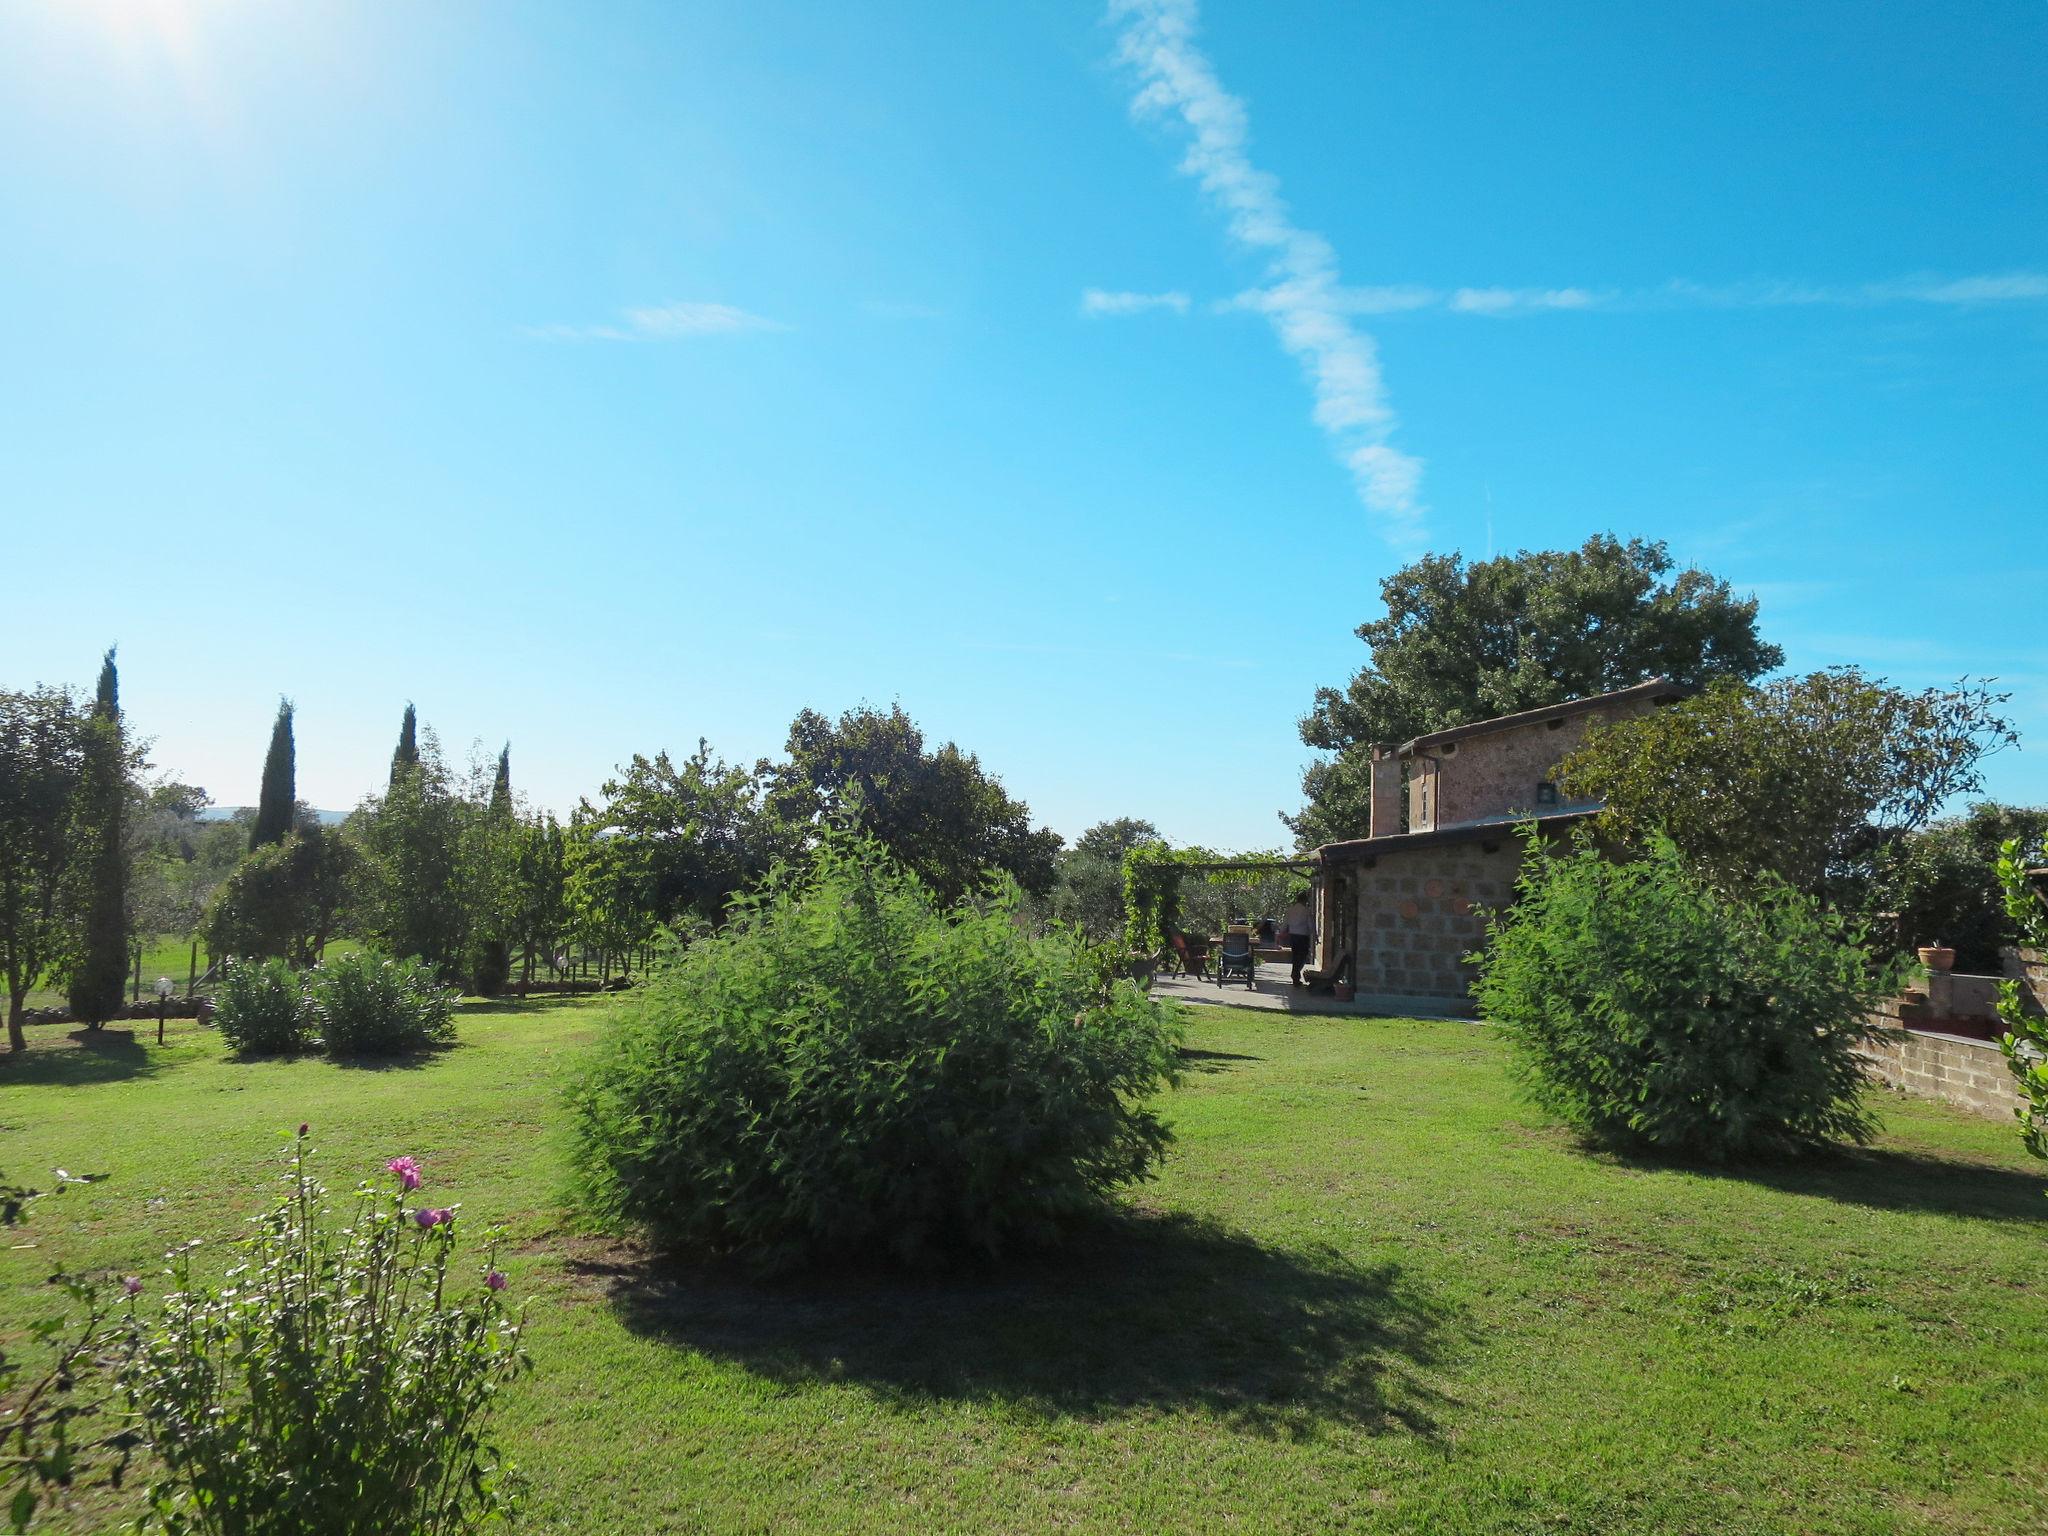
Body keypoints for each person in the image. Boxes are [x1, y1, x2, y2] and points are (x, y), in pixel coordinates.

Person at [1283, 890, 1316, 987]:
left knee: (1295, 956)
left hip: (1293, 936)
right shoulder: (1306, 910)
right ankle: (1295, 975)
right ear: (1304, 900)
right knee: (1302, 957)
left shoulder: (1290, 910)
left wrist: (1281, 931)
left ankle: (1295, 975)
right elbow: (1311, 924)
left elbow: (1285, 922)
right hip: (1303, 936)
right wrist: (1314, 935)